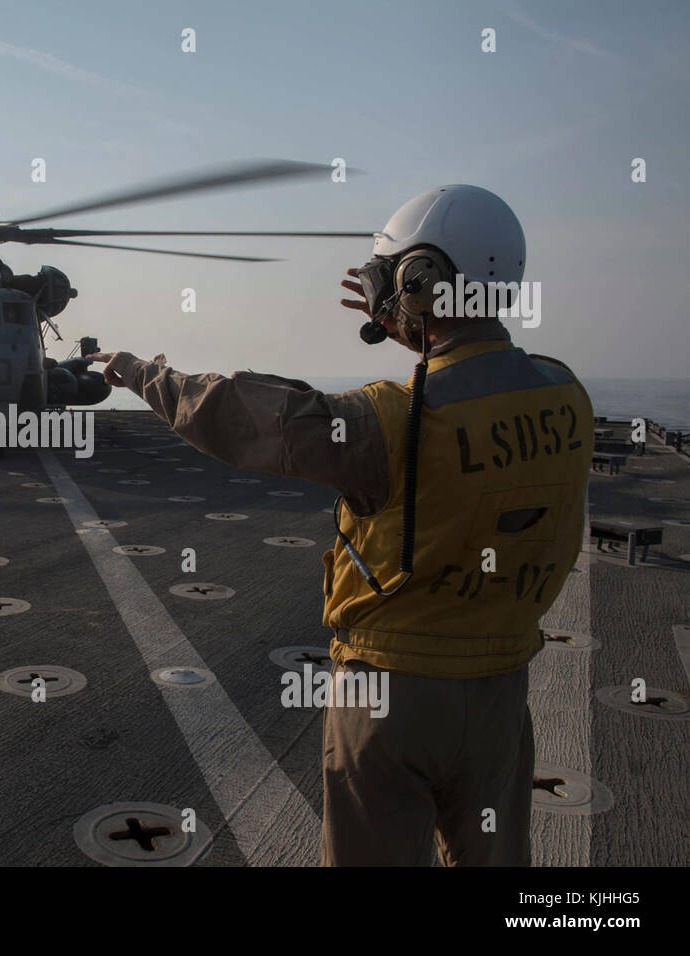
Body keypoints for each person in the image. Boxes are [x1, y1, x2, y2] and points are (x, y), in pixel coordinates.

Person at [90, 185, 593, 867]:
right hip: (501, 693)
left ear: (422, 280)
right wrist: (407, 317)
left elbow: (241, 416)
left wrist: (134, 371)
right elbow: (476, 396)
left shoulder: (388, 421)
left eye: (393, 279)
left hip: (391, 694)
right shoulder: (566, 394)